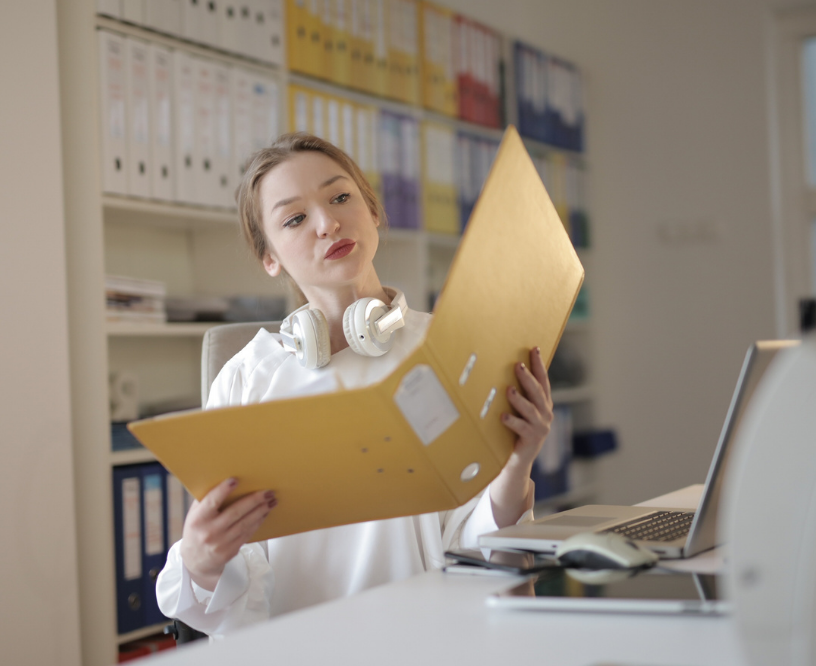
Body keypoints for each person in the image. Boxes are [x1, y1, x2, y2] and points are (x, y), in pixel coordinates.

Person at [156, 133, 553, 637]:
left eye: (340, 197)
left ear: (374, 211)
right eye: (295, 219)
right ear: (270, 258)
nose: (328, 223)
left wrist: (517, 466)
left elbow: (487, 562)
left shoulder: (452, 349)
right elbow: (234, 594)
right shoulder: (247, 378)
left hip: (433, 642)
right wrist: (202, 558)